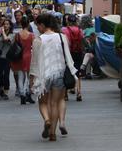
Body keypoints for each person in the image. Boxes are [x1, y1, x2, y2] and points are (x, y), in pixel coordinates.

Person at [30, 13, 77, 142]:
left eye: (38, 25)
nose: (37, 28)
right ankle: (52, 134)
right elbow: (67, 56)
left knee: (43, 102)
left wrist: (32, 79)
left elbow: (34, 62)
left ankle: (46, 119)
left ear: (42, 25)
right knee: (55, 103)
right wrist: (72, 72)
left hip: (43, 76)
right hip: (59, 73)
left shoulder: (38, 40)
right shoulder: (62, 37)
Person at [12, 15, 34, 105]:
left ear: (21, 24)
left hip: (20, 57)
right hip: (29, 56)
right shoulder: (31, 35)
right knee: (29, 77)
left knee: (21, 77)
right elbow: (35, 46)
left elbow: (14, 44)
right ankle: (28, 93)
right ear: (28, 23)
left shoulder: (17, 35)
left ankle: (22, 94)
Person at [62, 14, 85, 102]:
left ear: (68, 21)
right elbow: (82, 41)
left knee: (67, 72)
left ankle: (65, 94)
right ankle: (79, 93)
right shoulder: (80, 30)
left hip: (69, 53)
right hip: (78, 53)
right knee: (78, 73)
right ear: (75, 21)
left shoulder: (65, 30)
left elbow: (65, 43)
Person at [0, 17, 14, 100]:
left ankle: (6, 92)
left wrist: (2, 32)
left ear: (10, 26)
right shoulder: (0, 34)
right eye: (4, 24)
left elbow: (6, 39)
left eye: (7, 24)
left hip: (7, 57)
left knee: (6, 75)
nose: (5, 26)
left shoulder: (12, 34)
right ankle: (1, 87)